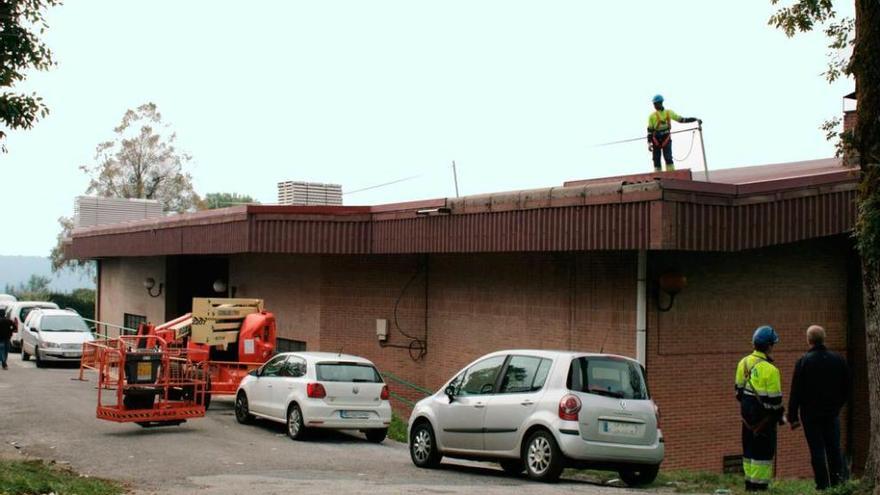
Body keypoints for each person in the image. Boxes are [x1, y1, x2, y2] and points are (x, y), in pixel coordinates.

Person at [787, 325, 850, 490]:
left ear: (809, 340)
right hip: (831, 413)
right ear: (824, 338)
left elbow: (796, 392)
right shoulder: (838, 360)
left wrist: (792, 417)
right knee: (834, 448)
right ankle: (838, 481)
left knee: (817, 450)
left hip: (810, 415)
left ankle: (822, 484)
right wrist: (838, 405)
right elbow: (847, 387)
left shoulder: (803, 362)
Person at [735, 325, 785, 491]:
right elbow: (776, 402)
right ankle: (760, 487)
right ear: (770, 346)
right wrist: (780, 416)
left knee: (748, 452)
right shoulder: (771, 370)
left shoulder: (743, 363)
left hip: (747, 420)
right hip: (764, 422)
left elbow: (738, 392)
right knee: (762, 456)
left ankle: (749, 485)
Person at [647, 94, 701, 172]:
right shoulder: (652, 116)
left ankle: (671, 174)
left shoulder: (669, 113)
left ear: (661, 103)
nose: (654, 106)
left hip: (666, 137)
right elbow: (650, 131)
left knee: (668, 157)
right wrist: (649, 143)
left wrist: (695, 119)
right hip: (656, 139)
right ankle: (658, 175)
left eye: (656, 104)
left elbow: (681, 120)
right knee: (656, 159)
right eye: (654, 104)